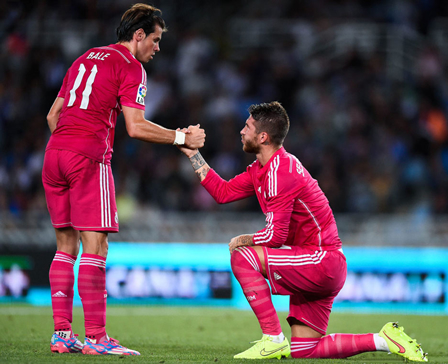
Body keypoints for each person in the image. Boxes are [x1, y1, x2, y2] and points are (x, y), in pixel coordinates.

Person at [178, 101, 427, 361]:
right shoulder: (262, 169)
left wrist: (245, 239)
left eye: (247, 126)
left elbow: (276, 237)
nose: (241, 131)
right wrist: (193, 154)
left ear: (263, 137)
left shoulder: (280, 171)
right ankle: (384, 340)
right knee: (305, 350)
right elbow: (224, 192)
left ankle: (272, 339)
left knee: (242, 256)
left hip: (321, 260)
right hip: (320, 262)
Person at [42, 3, 205, 356]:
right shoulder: (130, 66)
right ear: (139, 35)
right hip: (87, 158)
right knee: (96, 247)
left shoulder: (85, 58)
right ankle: (97, 339)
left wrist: (69, 144)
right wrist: (181, 138)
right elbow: (135, 126)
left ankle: (62, 334)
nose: (158, 48)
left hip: (54, 155)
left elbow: (53, 114)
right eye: (156, 39)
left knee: (65, 245)